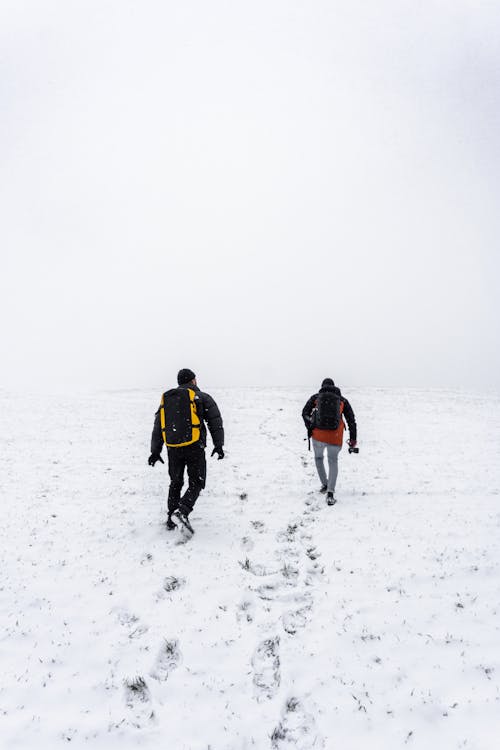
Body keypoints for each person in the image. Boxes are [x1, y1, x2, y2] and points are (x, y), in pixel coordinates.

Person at [149, 368, 224, 531]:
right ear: (193, 380)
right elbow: (215, 421)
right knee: (196, 481)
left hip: (173, 448)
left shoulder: (168, 399)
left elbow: (158, 426)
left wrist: (155, 451)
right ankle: (182, 511)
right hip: (194, 446)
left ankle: (170, 518)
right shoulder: (201, 397)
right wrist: (219, 445)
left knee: (175, 482)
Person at [302, 378, 357, 506]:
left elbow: (304, 413)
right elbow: (351, 421)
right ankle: (330, 492)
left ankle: (325, 484)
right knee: (333, 461)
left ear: (322, 386)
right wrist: (353, 439)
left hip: (318, 436)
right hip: (335, 437)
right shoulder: (342, 400)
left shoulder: (316, 397)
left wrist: (310, 425)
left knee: (319, 458)